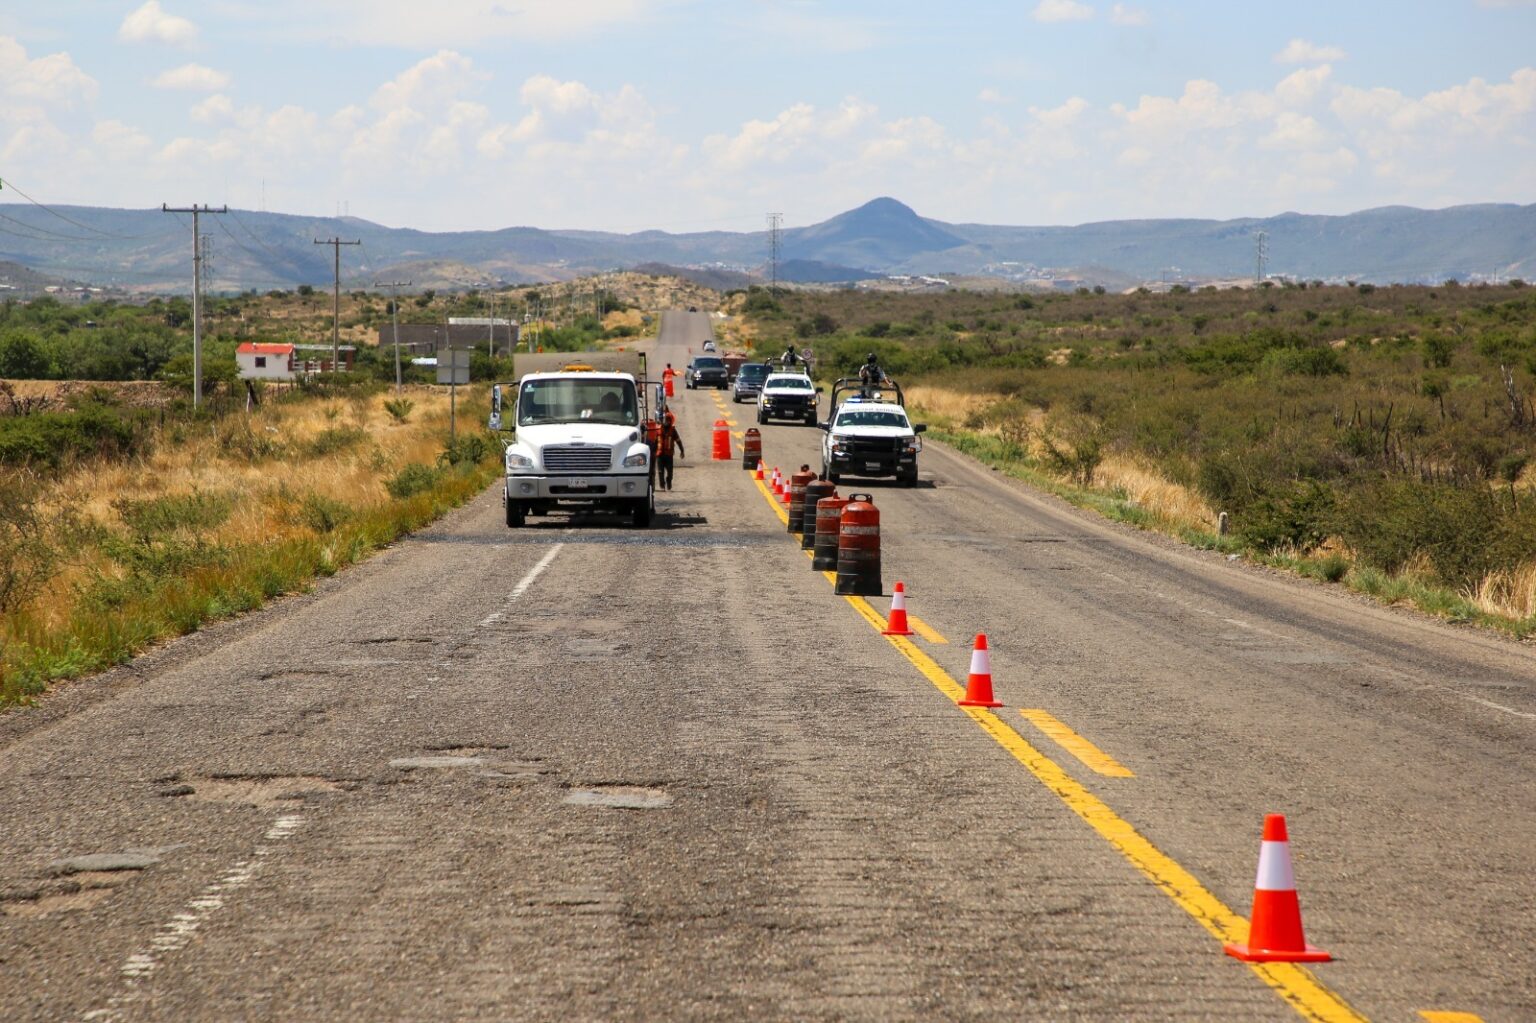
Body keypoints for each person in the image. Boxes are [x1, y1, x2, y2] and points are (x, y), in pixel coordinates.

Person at [656, 410, 684, 490]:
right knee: (660, 471)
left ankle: (669, 481)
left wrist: (682, 450)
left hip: (669, 455)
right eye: (665, 420)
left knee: (670, 472)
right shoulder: (657, 430)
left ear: (670, 421)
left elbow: (678, 441)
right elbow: (654, 442)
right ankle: (662, 485)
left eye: (668, 420)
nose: (666, 422)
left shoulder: (673, 430)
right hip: (660, 454)